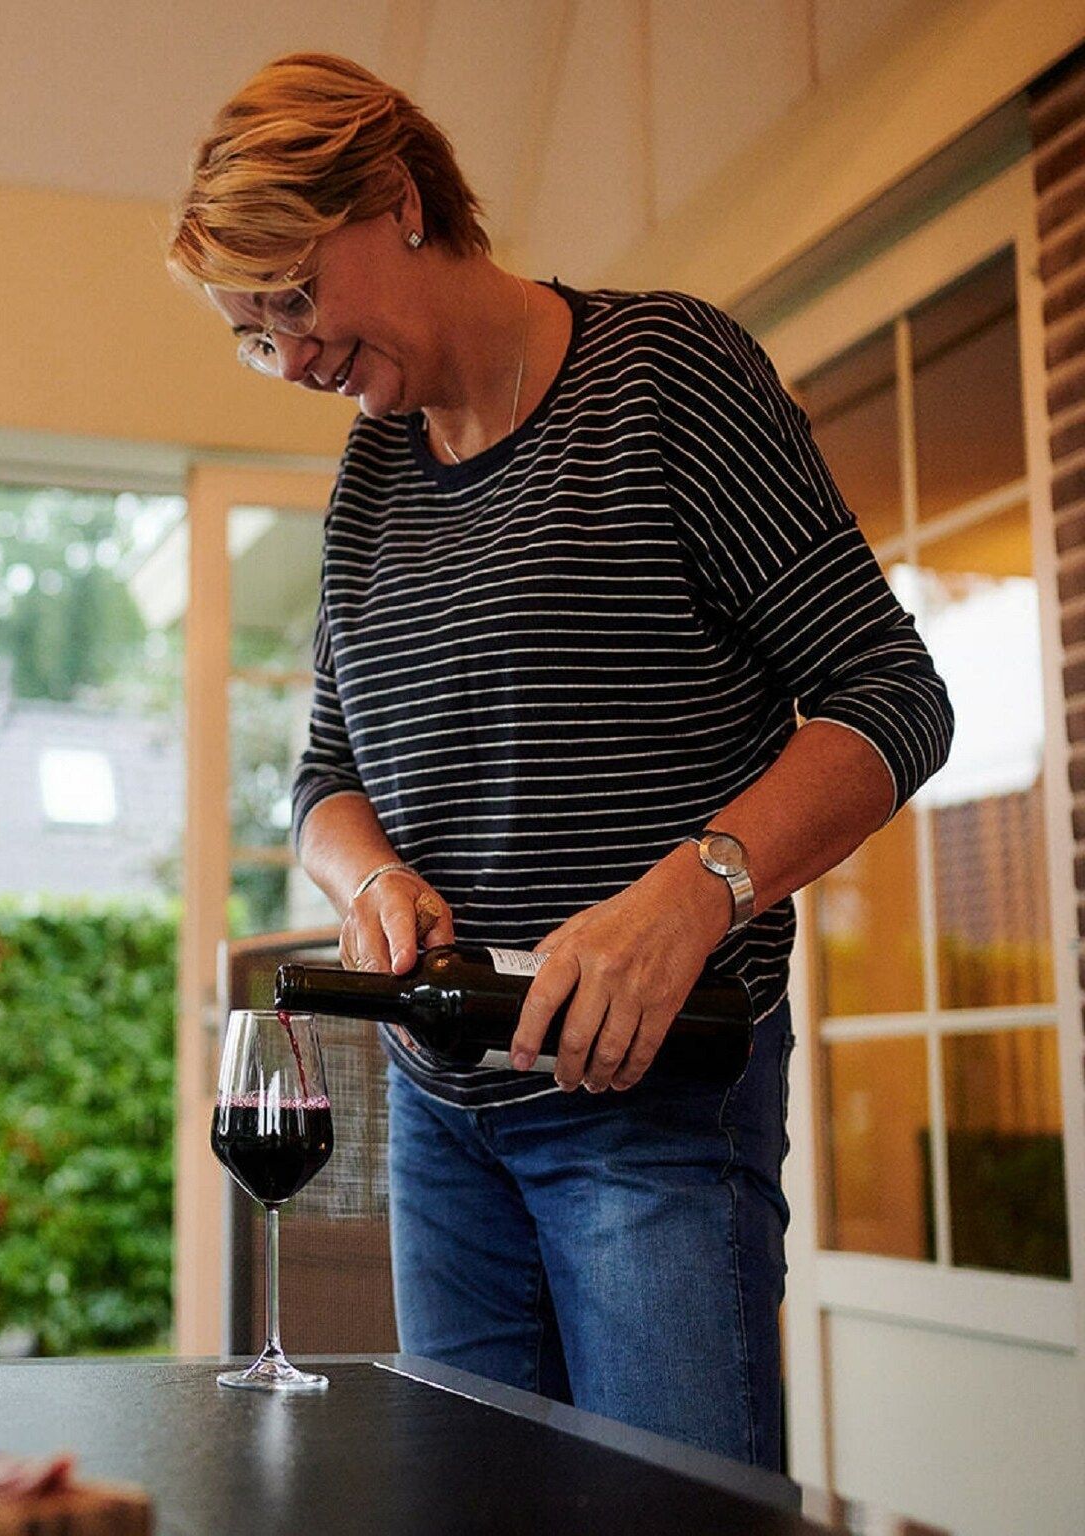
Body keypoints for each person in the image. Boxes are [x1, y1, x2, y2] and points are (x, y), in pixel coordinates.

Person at [167, 54, 952, 1469]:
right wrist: (373, 876)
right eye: (249, 331)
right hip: (443, 1122)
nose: (287, 355)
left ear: (397, 202)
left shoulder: (664, 377)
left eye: (292, 297)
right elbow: (324, 780)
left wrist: (700, 888)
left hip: (647, 1122)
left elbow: (890, 695)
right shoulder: (374, 475)